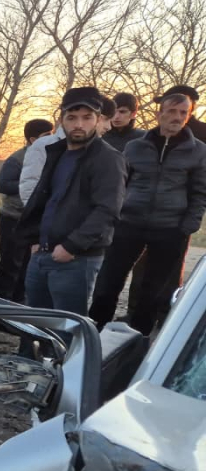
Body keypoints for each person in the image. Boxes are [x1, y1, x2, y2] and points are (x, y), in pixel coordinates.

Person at [89, 93, 206, 335]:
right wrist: (114, 215)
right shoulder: (135, 147)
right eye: (171, 111)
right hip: (128, 223)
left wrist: (188, 226)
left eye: (183, 113)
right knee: (107, 283)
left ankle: (137, 340)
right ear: (159, 114)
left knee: (152, 291)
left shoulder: (198, 151)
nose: (177, 117)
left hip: (170, 229)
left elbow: (200, 192)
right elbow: (120, 184)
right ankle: (93, 333)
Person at [15, 87, 126, 327]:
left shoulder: (108, 158)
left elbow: (107, 209)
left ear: (98, 119)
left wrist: (71, 246)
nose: (79, 125)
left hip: (75, 260)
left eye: (87, 117)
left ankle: (64, 356)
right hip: (42, 254)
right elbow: (45, 199)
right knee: (35, 327)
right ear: (62, 119)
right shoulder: (57, 153)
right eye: (72, 117)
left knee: (67, 330)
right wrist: (35, 239)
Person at [0, 119, 54, 302]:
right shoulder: (17, 159)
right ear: (32, 139)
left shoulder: (52, 157)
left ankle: (21, 301)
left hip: (36, 219)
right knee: (10, 263)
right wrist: (32, 185)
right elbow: (3, 185)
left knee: (29, 264)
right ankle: (2, 302)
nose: (51, 138)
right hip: (13, 218)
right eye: (47, 135)